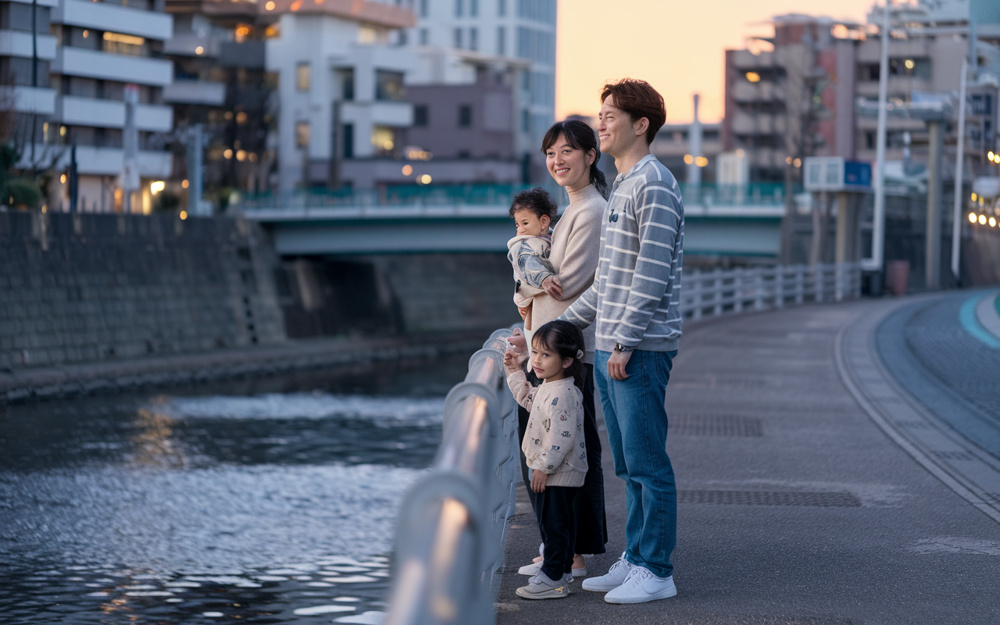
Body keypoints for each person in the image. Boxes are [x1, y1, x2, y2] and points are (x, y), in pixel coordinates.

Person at [561, 78, 684, 604]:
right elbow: (610, 283)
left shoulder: (654, 182)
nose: (601, 121)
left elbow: (650, 276)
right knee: (629, 463)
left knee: (648, 462)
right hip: (613, 345)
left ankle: (656, 570)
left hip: (638, 349)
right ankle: (635, 557)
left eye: (612, 114)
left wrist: (626, 340)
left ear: (642, 125)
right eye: (601, 112)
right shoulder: (624, 184)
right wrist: (560, 327)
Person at [509, 119, 609, 580]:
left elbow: (563, 285)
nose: (558, 160)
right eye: (551, 152)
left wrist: (527, 293)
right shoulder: (569, 210)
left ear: (591, 155)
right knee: (549, 450)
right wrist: (527, 298)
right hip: (546, 348)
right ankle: (560, 548)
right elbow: (534, 284)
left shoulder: (589, 211)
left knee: (564, 455)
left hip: (562, 354)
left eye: (568, 150)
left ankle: (570, 554)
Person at [504, 320, 589, 600]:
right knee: (555, 523)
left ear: (566, 361)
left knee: (555, 526)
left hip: (557, 472)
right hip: (549, 468)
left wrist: (542, 468)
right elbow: (529, 399)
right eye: (536, 353)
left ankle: (553, 578)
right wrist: (515, 371)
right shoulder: (547, 386)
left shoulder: (563, 393)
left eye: (545, 355)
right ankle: (560, 572)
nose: (537, 361)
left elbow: (560, 439)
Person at [506, 188, 558, 329]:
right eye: (517, 225)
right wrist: (544, 278)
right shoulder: (521, 246)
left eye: (525, 223)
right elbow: (529, 264)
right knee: (532, 327)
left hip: (540, 294)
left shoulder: (553, 236)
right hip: (527, 293)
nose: (521, 229)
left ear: (544, 222)